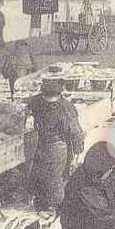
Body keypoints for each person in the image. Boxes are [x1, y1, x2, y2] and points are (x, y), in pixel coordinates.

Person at [27, 76, 85, 211]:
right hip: (46, 145)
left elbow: (75, 132)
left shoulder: (64, 108)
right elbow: (75, 131)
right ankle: (49, 204)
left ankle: (57, 206)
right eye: (47, 98)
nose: (50, 102)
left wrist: (77, 150)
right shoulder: (40, 102)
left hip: (54, 146)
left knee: (53, 177)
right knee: (46, 175)